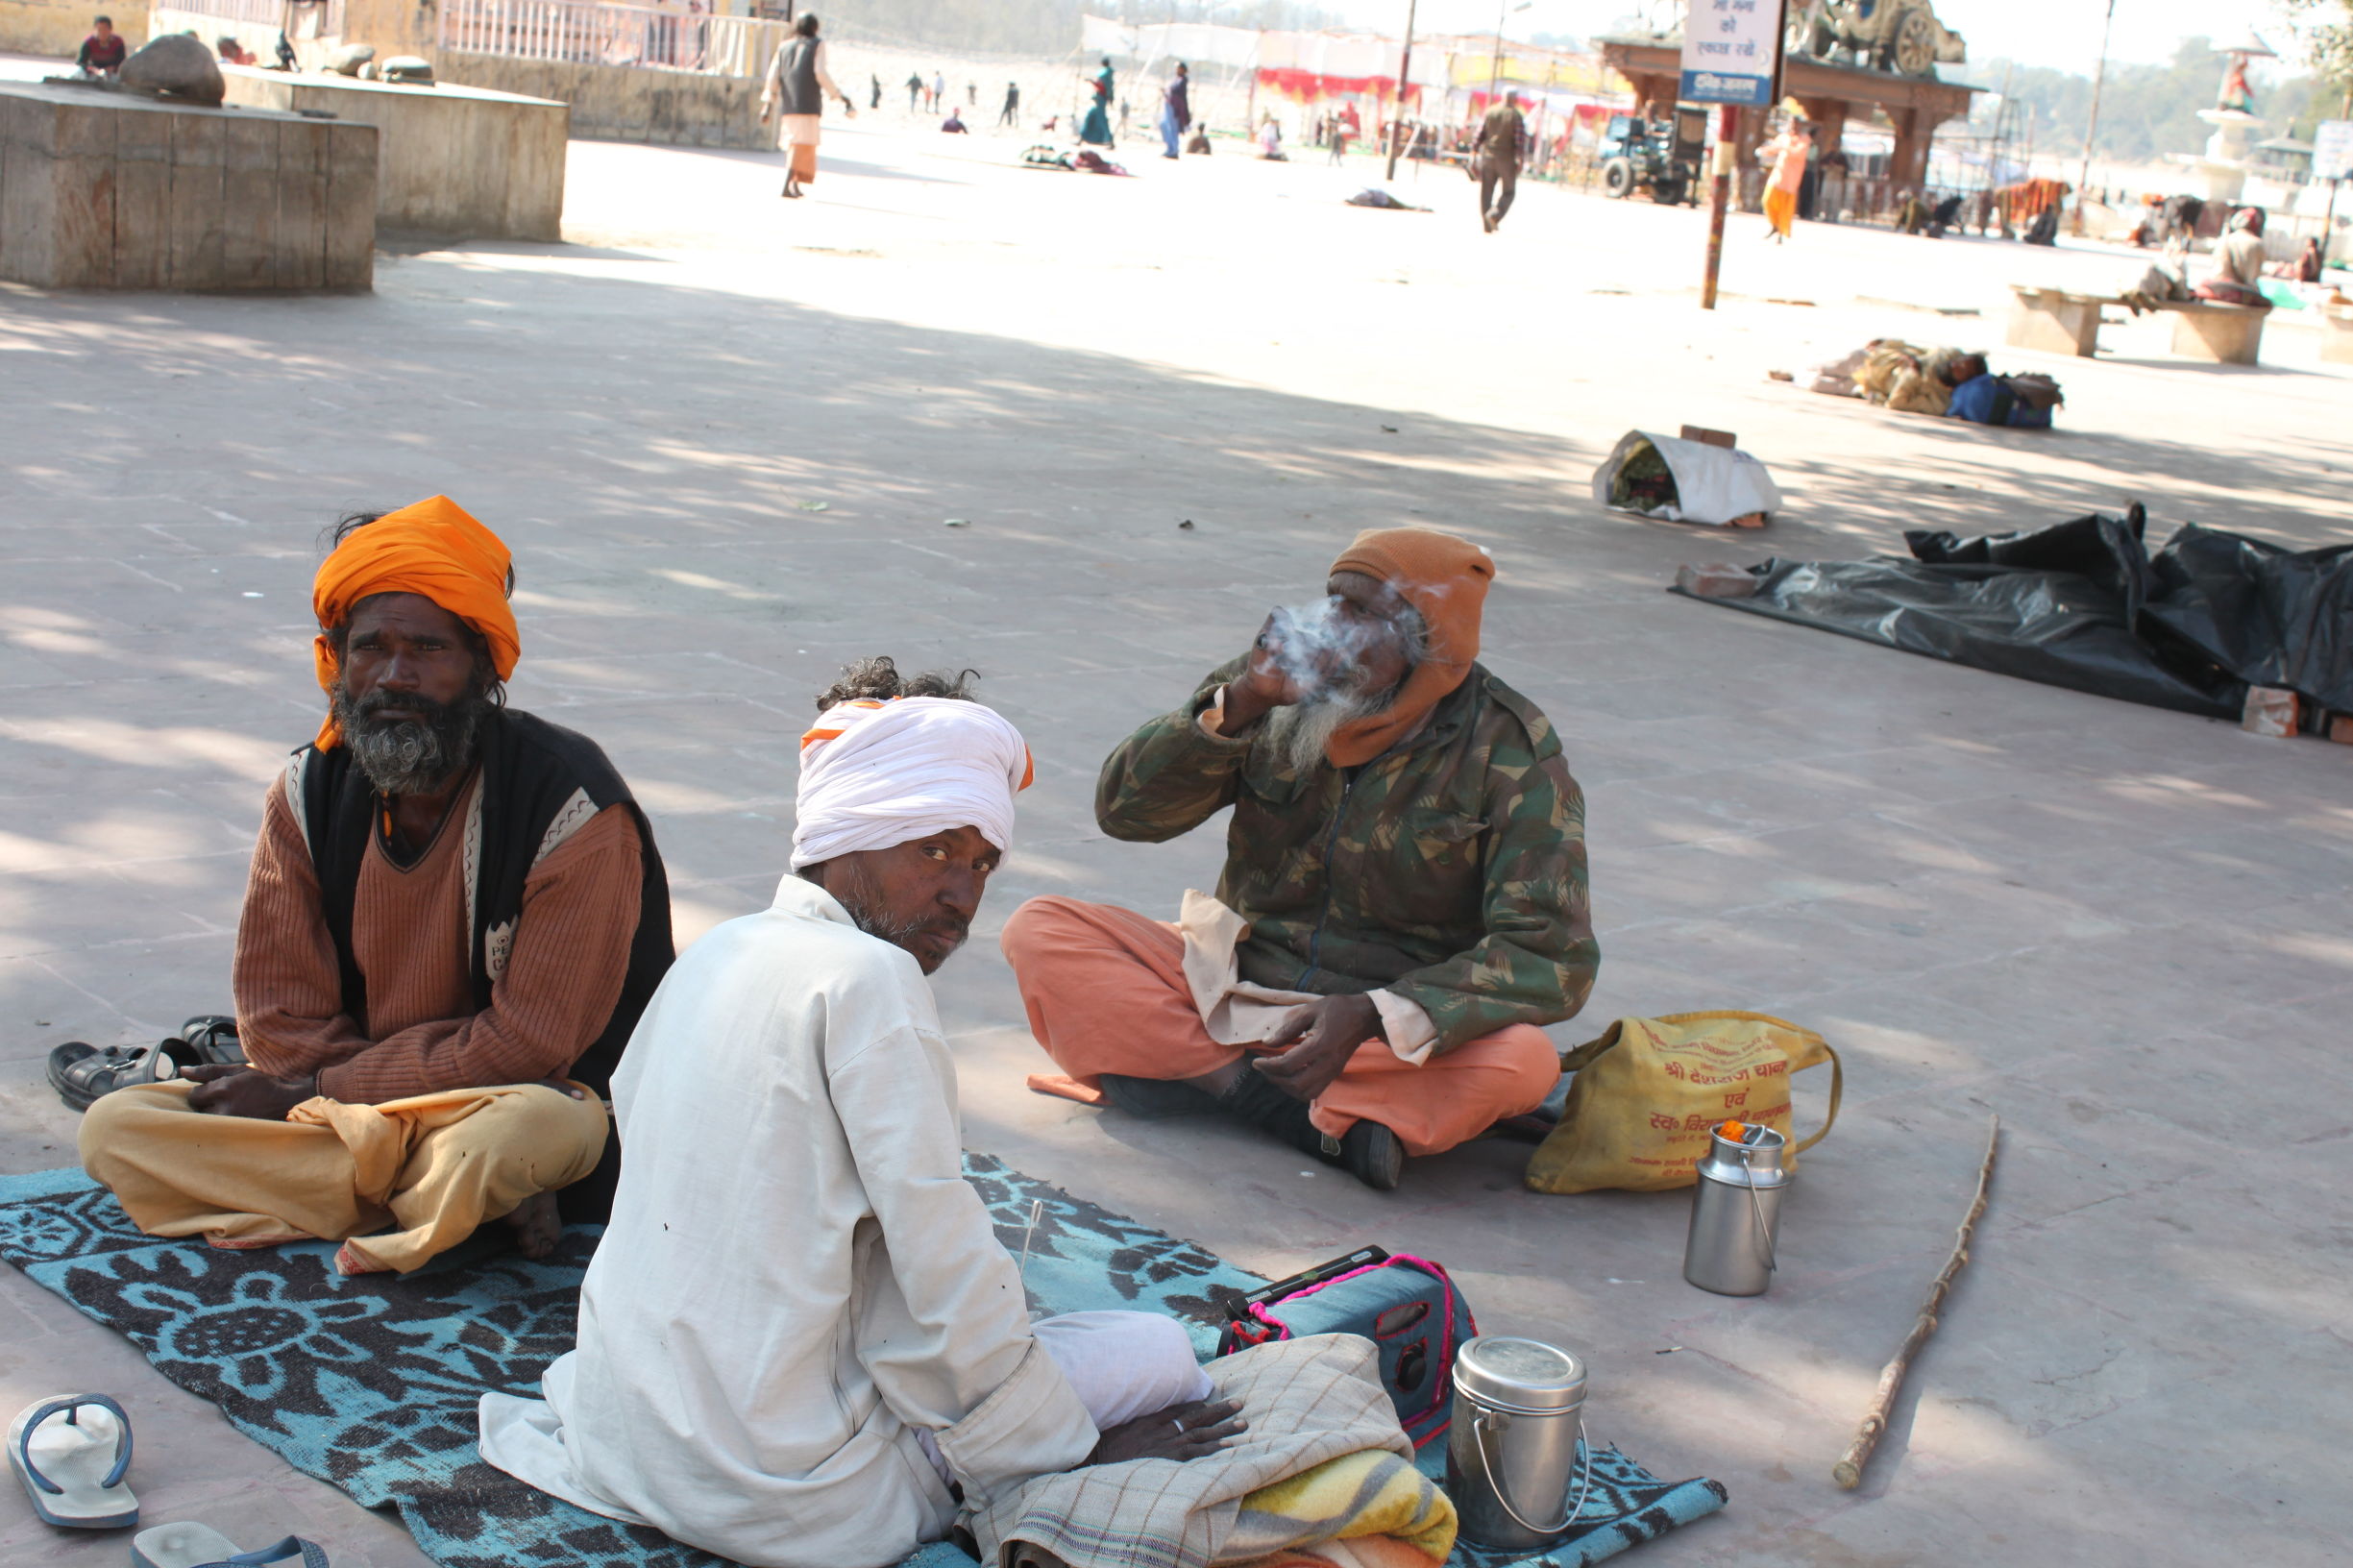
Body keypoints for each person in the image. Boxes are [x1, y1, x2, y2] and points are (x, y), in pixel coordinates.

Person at [478, 661, 1246, 1568]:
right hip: (788, 1496)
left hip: (629, 1440)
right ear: (850, 835)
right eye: (934, 852)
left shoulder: (718, 950)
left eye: (982, 863)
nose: (963, 894)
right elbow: (940, 1269)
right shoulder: (869, 979)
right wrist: (1061, 1455)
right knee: (1156, 1351)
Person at [67, 499, 673, 1275]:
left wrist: (318, 1090)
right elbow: (277, 1021)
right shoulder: (307, 790)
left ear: (483, 666)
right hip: (358, 1109)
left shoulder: (571, 804)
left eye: (428, 648)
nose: (394, 676)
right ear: (335, 659)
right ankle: (447, 1204)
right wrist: (352, 1107)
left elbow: (527, 1044)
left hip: (525, 1100)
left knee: (525, 1135)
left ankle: (392, 1189)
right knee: (116, 1128)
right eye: (371, 648)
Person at [1002, 528, 1596, 1192]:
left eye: (1362, 611)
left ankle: (1188, 1071)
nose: (1330, 625)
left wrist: (1374, 1011)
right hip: (1233, 985)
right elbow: (1126, 814)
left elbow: (1551, 958)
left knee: (1524, 1061)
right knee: (1043, 928)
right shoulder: (1273, 679)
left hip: (1380, 1027)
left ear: (1426, 642)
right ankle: (1278, 1106)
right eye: (1332, 599)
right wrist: (1242, 704)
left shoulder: (1509, 751)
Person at [759, 12, 853, 201]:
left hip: (789, 103)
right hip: (808, 103)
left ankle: (795, 183)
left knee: (797, 143)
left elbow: (773, 75)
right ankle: (787, 184)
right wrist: (838, 95)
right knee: (802, 144)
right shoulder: (817, 45)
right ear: (814, 27)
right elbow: (820, 72)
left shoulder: (784, 46)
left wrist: (768, 103)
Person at [2196, 207, 2272, 306]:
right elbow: (2255, 273)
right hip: (2248, 292)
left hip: (2223, 288)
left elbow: (2219, 270)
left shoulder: (2225, 240)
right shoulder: (2258, 244)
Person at [1758, 100, 1812, 243]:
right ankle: (1774, 225)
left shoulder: (1804, 139)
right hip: (1777, 177)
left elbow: (1798, 153)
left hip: (1791, 181)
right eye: (1792, 123)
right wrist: (1763, 151)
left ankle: (1781, 233)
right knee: (1767, 201)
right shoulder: (1784, 137)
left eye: (1796, 123)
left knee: (1785, 209)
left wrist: (1785, 147)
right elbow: (1773, 149)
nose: (1794, 125)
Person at [1475, 91, 1525, 233]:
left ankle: (1487, 225)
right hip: (1506, 159)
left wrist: (1474, 151)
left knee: (1486, 191)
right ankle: (1495, 215)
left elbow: (1479, 135)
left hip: (1488, 157)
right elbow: (1519, 142)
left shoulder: (1490, 112)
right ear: (1515, 99)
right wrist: (1520, 159)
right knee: (1509, 191)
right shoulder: (1515, 116)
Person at [1079, 57, 1115, 147]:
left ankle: (1110, 141)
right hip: (1100, 99)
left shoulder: (1104, 74)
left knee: (1102, 120)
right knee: (1091, 117)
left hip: (1101, 99)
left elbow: (1102, 86)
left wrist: (1092, 82)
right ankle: (1082, 139)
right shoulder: (1107, 74)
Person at [1159, 61, 1190, 160]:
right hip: (1169, 105)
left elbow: (1177, 92)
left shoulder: (1182, 80)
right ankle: (1169, 148)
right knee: (1163, 124)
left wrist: (1168, 91)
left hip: (1175, 108)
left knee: (1173, 128)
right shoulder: (1176, 79)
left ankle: (1174, 150)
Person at [77, 13, 126, 77]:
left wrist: (112, 68)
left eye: (105, 29)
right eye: (99, 29)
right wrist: (93, 70)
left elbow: (122, 62)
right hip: (93, 73)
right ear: (95, 30)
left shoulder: (118, 42)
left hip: (112, 73)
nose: (102, 33)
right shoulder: (89, 42)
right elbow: (81, 63)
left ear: (110, 30)